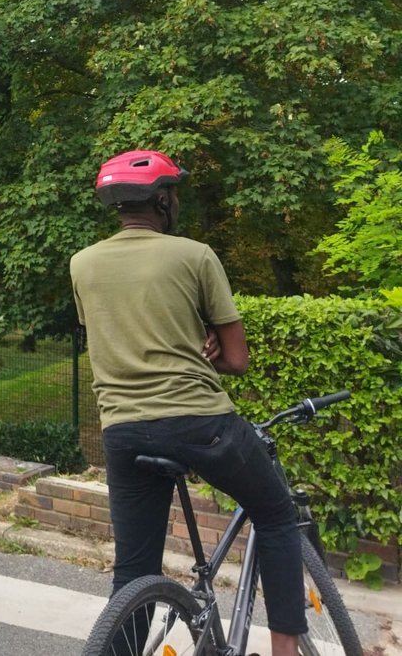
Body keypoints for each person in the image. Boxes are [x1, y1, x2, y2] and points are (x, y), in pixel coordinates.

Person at [69, 150, 306, 656]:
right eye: (173, 192)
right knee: (277, 515)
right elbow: (237, 359)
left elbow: (123, 338)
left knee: (134, 572)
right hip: (199, 423)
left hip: (123, 430)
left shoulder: (82, 264)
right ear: (161, 199)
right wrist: (211, 351)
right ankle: (287, 646)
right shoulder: (194, 255)